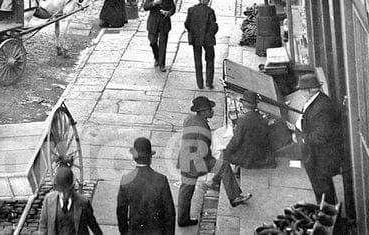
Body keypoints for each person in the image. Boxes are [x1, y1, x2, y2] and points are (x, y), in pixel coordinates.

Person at [177, 95, 250, 226]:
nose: (212, 111)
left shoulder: (190, 119)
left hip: (185, 159)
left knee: (186, 190)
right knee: (222, 167)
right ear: (203, 111)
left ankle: (183, 219)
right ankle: (234, 197)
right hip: (195, 163)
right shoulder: (203, 128)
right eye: (210, 109)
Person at [295, 73, 345, 205]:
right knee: (320, 186)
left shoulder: (322, 107)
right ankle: (325, 210)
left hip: (320, 156)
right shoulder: (315, 101)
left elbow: (322, 135)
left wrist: (304, 139)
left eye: (302, 89)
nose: (300, 92)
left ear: (310, 90)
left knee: (323, 187)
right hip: (315, 155)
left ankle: (328, 214)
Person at [116, 136, 175, 234]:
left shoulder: (126, 180)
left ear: (134, 157)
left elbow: (121, 213)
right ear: (150, 157)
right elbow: (170, 213)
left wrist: (125, 233)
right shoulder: (161, 180)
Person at [37, 164, 103, 235]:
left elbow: (94, 226)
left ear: (72, 188)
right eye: (60, 191)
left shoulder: (83, 203)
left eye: (66, 192)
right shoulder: (49, 200)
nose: (62, 195)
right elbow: (43, 227)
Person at [221, 90, 277, 171]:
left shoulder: (243, 121)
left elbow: (235, 142)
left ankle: (232, 174)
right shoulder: (262, 119)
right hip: (260, 156)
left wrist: (226, 152)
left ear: (244, 105)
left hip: (247, 159)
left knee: (222, 156)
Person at [183, 0, 218, 90]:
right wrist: (211, 34)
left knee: (197, 60)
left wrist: (193, 32)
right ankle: (209, 82)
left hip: (196, 39)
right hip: (208, 40)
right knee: (210, 60)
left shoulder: (191, 10)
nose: (208, 0)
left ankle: (200, 83)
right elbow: (213, 26)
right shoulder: (210, 11)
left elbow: (187, 24)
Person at [142, 0, 175, 71]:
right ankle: (157, 57)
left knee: (163, 44)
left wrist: (168, 13)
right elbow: (145, 7)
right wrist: (153, 3)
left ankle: (162, 64)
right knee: (152, 42)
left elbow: (173, 8)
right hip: (153, 23)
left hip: (164, 23)